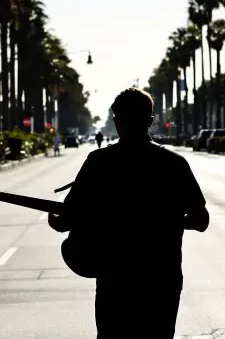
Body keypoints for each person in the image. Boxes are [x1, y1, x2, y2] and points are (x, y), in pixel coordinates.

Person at [48, 87, 209, 338]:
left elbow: (68, 218)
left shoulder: (98, 163)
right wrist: (168, 221)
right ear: (151, 120)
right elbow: (201, 220)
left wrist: (59, 223)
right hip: (161, 280)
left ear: (116, 121)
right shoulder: (173, 164)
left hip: (115, 280)